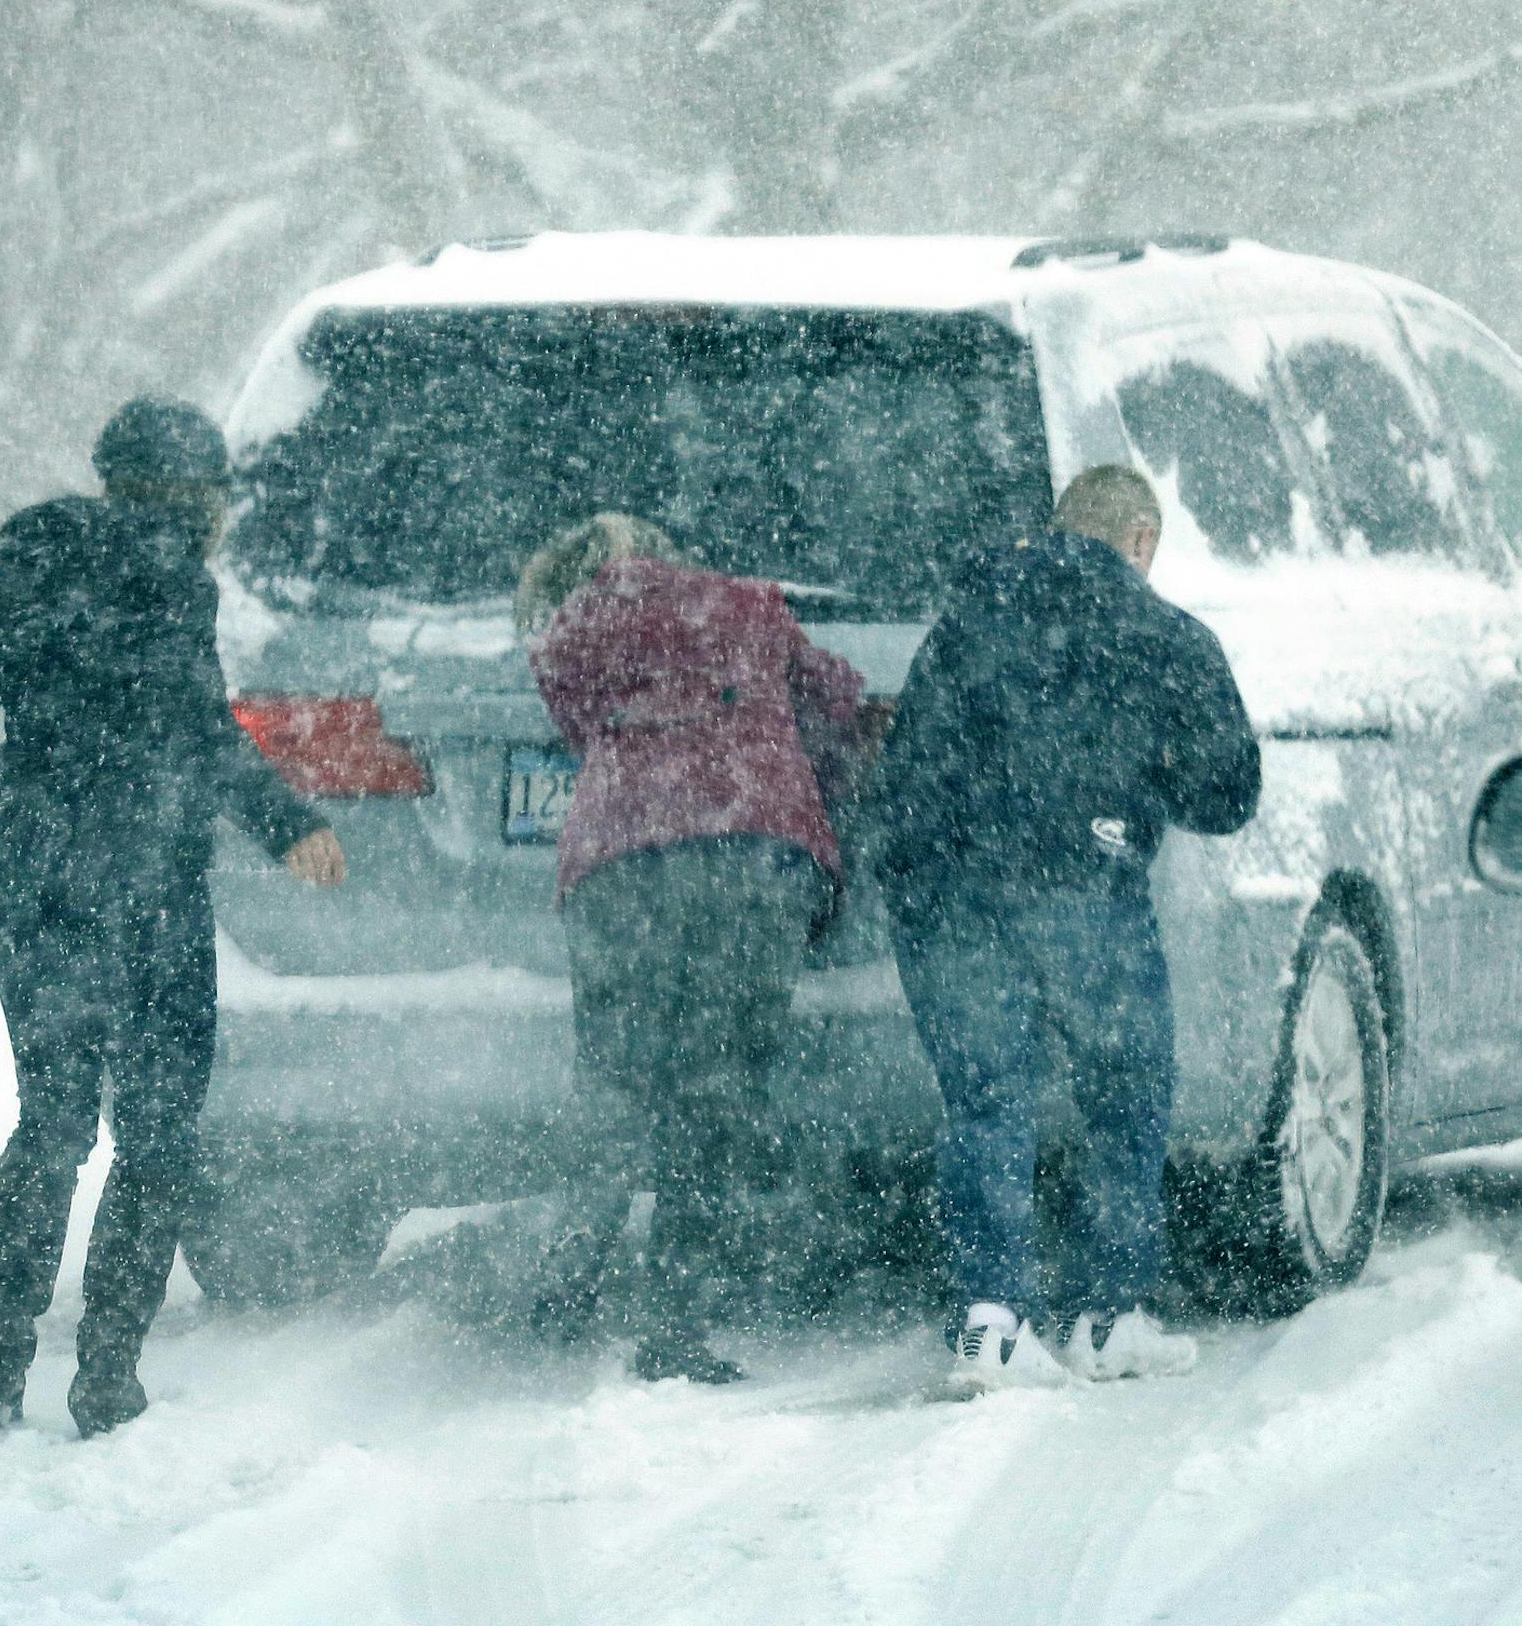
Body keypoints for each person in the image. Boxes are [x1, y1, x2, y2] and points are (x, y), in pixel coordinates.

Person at [0, 396, 347, 1438]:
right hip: (147, 884)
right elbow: (202, 735)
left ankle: (1, 1361)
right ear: (194, 496)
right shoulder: (174, 579)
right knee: (155, 1133)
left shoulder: (36, 567)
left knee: (51, 1118)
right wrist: (289, 825)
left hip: (36, 875)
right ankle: (106, 1367)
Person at [870, 464, 1260, 1388]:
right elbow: (1229, 793)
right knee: (1124, 1092)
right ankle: (1103, 1315)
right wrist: (1138, 780)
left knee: (985, 1099)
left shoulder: (966, 618)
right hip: (1082, 883)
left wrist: (929, 870)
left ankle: (992, 1322)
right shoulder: (1167, 636)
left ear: (1054, 529)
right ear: (1141, 543)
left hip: (949, 889)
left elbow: (908, 765)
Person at [518, 513, 863, 1383]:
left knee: (610, 1078)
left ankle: (565, 1283)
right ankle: (673, 1330)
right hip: (748, 850)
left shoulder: (571, 629)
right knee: (716, 1092)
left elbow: (576, 725)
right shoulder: (749, 606)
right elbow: (838, 700)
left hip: (616, 861)